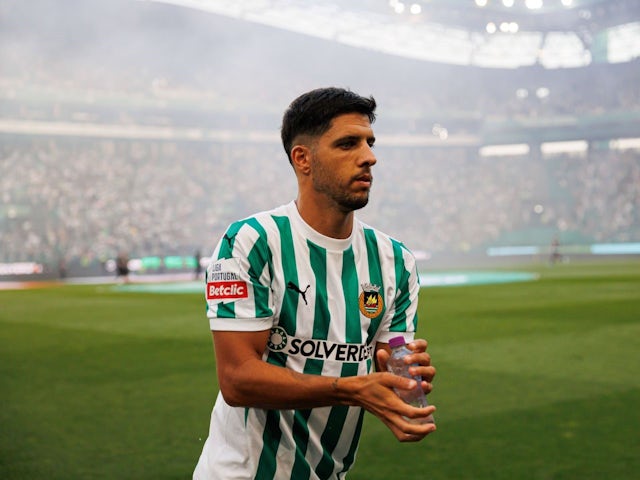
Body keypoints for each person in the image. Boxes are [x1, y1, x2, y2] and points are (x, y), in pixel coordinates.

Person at [194, 87, 436, 480]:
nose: (369, 157)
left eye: (370, 143)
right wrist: (350, 389)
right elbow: (238, 379)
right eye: (347, 144)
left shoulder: (395, 260)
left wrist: (406, 380)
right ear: (302, 159)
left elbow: (389, 360)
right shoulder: (253, 241)